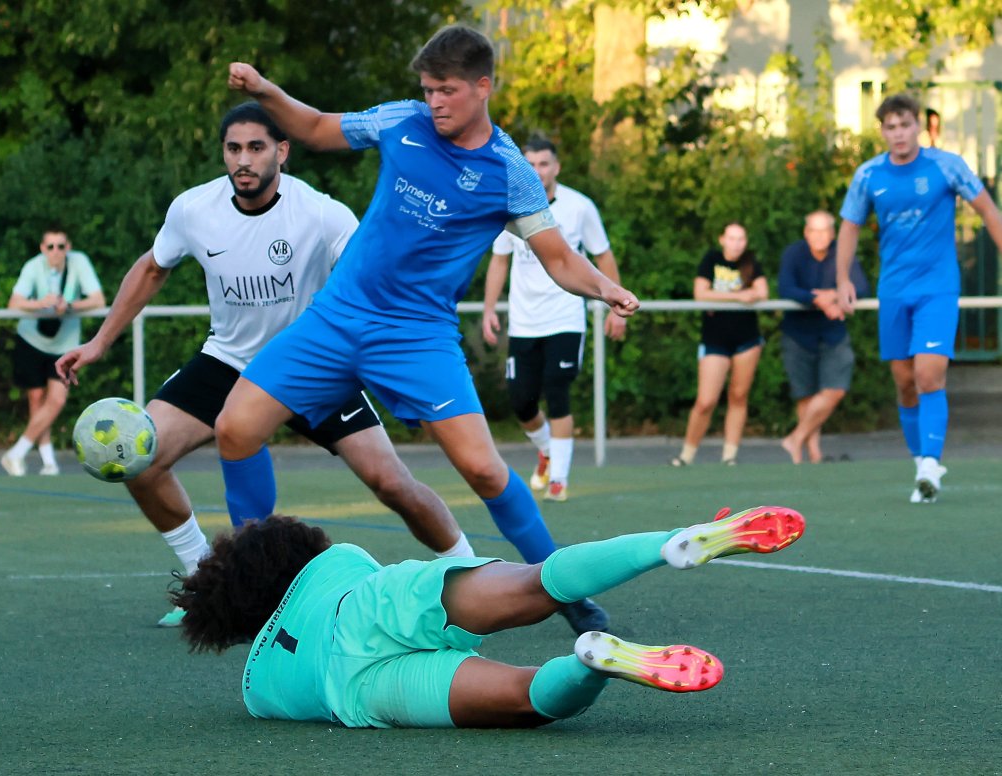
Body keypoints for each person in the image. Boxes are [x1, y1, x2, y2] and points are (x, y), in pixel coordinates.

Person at [220, 25, 640, 635]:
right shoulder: (402, 120)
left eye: (446, 90)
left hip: (417, 337)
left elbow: (557, 257)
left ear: (482, 87)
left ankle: (565, 589)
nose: (434, 102)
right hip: (337, 318)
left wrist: (606, 288)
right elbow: (314, 127)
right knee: (234, 429)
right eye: (428, 89)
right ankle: (253, 589)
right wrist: (265, 89)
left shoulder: (509, 170)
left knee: (485, 470)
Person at [57, 102, 477, 627]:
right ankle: (207, 582)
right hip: (227, 361)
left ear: (282, 150)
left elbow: (374, 280)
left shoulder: (321, 213)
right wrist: (99, 342)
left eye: (256, 147)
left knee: (392, 483)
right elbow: (151, 269)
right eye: (233, 148)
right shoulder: (194, 209)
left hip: (311, 363)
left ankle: (470, 569)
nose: (243, 160)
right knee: (140, 457)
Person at [171, 504, 806, 729]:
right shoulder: (336, 564)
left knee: (525, 698)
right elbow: (341, 564)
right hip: (376, 603)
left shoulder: (260, 691)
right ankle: (673, 542)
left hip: (356, 690)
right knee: (536, 584)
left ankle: (591, 662)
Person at [837, 93, 1002, 503]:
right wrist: (842, 278)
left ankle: (931, 462)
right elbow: (849, 227)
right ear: (882, 131)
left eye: (905, 125)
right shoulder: (868, 175)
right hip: (894, 290)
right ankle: (921, 467)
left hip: (937, 288)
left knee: (929, 375)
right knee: (905, 383)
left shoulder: (947, 165)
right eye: (890, 127)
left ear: (919, 127)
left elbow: (987, 210)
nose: (898, 133)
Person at [482, 137, 625, 502]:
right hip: (524, 321)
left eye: (543, 163)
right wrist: (489, 308)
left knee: (557, 390)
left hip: (565, 316)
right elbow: (499, 259)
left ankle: (558, 479)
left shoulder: (580, 207)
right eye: (529, 164)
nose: (537, 171)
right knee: (521, 402)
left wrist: (615, 304)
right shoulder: (509, 206)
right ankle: (546, 451)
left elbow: (603, 255)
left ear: (556, 167)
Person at [1, 228, 105, 476]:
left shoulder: (79, 262)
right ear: (42, 248)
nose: (55, 252)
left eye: (60, 246)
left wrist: (69, 305)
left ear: (68, 247)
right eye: (50, 246)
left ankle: (17, 453)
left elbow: (98, 300)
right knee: (36, 399)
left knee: (57, 400)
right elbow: (14, 302)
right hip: (32, 340)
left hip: (64, 345)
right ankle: (49, 462)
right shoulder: (33, 266)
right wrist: (41, 304)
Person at [671, 223, 769, 467]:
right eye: (732, 238)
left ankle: (729, 455)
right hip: (715, 340)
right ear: (722, 239)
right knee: (706, 400)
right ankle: (686, 455)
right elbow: (701, 293)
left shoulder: (750, 262)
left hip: (746, 339)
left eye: (741, 239)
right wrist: (738, 296)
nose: (736, 244)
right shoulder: (711, 260)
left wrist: (747, 294)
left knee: (738, 395)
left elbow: (762, 292)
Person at [777, 211, 870, 465]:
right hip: (798, 334)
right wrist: (818, 300)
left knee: (835, 390)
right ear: (806, 233)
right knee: (805, 395)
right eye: (814, 231)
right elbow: (785, 288)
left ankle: (794, 439)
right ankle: (812, 454)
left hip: (833, 334)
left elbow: (861, 287)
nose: (819, 236)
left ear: (832, 233)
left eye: (824, 230)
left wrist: (834, 296)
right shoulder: (793, 253)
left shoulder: (843, 253)